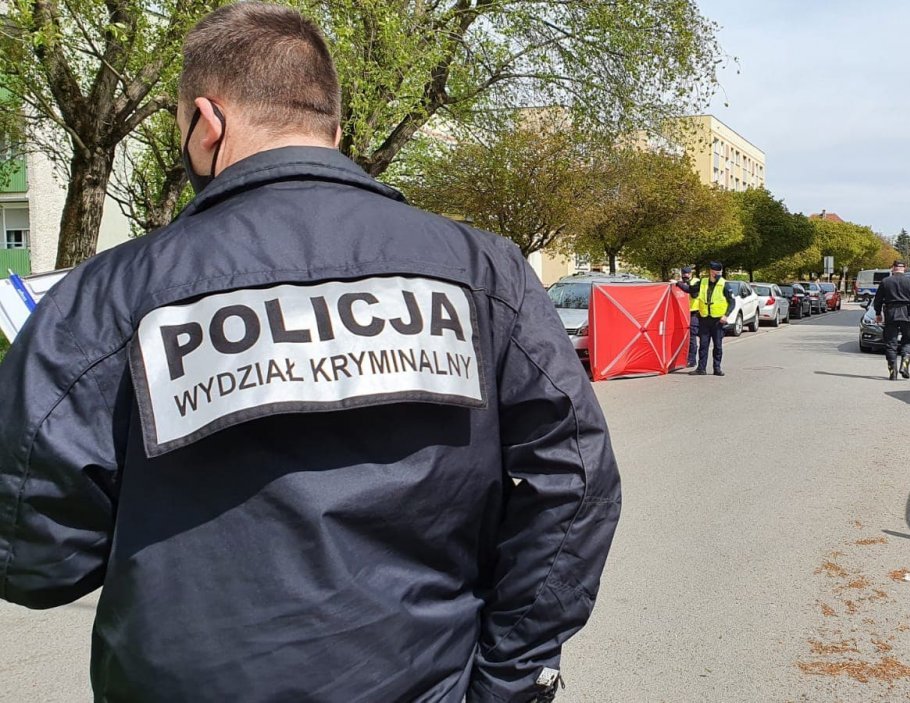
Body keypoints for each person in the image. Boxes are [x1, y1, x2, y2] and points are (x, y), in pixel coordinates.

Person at [0, 4, 621, 702]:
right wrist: (510, 677)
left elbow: (33, 554)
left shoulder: (104, 298)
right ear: (333, 127)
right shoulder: (483, 274)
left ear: (208, 124)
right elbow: (577, 478)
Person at [873, 260, 910, 380]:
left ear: (893, 268)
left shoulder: (885, 281)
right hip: (907, 314)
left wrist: (878, 313)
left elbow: (878, 299)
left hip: (891, 314)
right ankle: (904, 365)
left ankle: (893, 372)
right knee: (907, 341)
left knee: (890, 344)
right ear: (904, 269)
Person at [690, 261, 735, 376]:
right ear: (711, 271)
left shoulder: (724, 284)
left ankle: (717, 368)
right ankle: (701, 368)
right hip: (705, 318)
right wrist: (678, 284)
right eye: (716, 271)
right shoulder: (703, 282)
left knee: (718, 345)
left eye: (719, 271)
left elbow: (732, 302)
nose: (718, 273)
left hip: (718, 320)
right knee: (703, 345)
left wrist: (726, 315)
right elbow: (691, 290)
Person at [676, 265, 699, 367]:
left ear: (691, 274)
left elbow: (694, 293)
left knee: (692, 336)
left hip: (694, 312)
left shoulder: (697, 281)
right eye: (684, 274)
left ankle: (692, 359)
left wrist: (683, 283)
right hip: (683, 312)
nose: (686, 275)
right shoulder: (680, 283)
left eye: (688, 274)